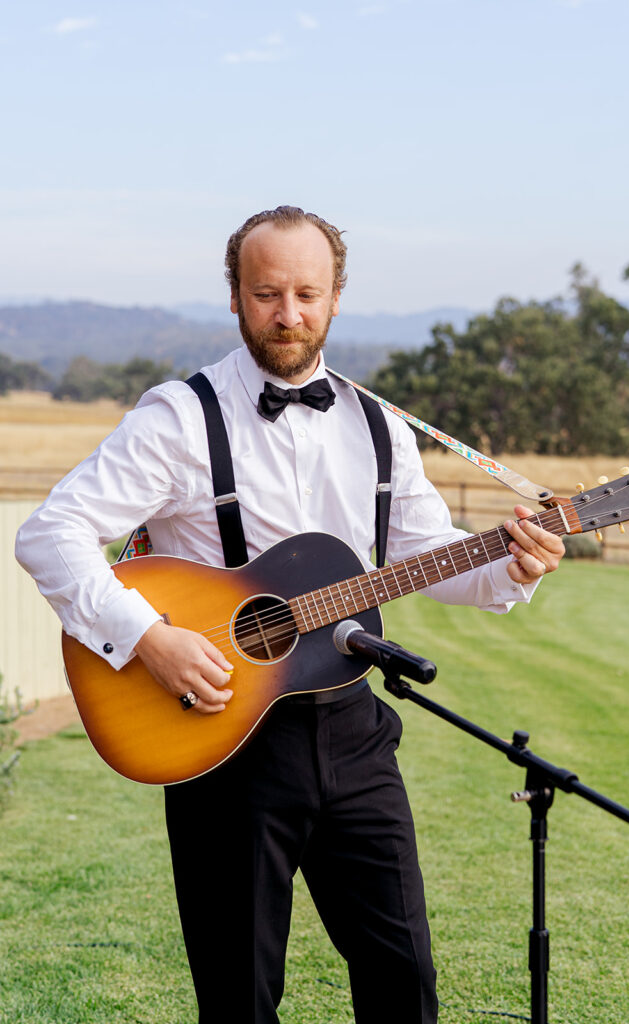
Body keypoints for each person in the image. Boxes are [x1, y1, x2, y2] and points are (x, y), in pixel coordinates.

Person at [15, 205, 565, 1023]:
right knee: (239, 996)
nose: (288, 314)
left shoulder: (381, 426)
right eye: (266, 292)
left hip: (353, 728)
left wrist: (514, 565)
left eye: (307, 292)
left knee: (403, 977)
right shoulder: (179, 417)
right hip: (220, 736)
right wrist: (146, 637)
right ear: (235, 297)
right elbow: (51, 532)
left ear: (336, 296)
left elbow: (429, 555)